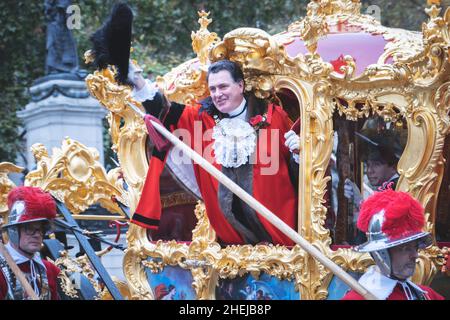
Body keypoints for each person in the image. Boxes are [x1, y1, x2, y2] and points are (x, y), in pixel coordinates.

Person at [89, 4, 300, 246]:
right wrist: (136, 79)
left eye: (223, 87)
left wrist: (297, 153)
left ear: (240, 86)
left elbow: (301, 175)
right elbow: (164, 111)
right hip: (231, 245)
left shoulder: (273, 117)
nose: (217, 94)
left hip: (283, 239)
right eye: (212, 89)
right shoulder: (202, 119)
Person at [342, 188, 444, 300]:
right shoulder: (356, 298)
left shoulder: (427, 295)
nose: (415, 255)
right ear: (381, 253)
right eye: (405, 248)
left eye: (415, 247)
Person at [344, 128, 404, 244]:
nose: (370, 171)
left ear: (393, 166)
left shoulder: (395, 186)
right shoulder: (388, 186)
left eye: (376, 165)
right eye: (368, 165)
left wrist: (359, 201)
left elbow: (379, 224)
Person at [0, 186, 61, 300]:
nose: (37, 234)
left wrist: (78, 278)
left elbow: (76, 288)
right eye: (29, 228)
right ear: (14, 231)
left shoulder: (50, 269)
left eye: (40, 229)